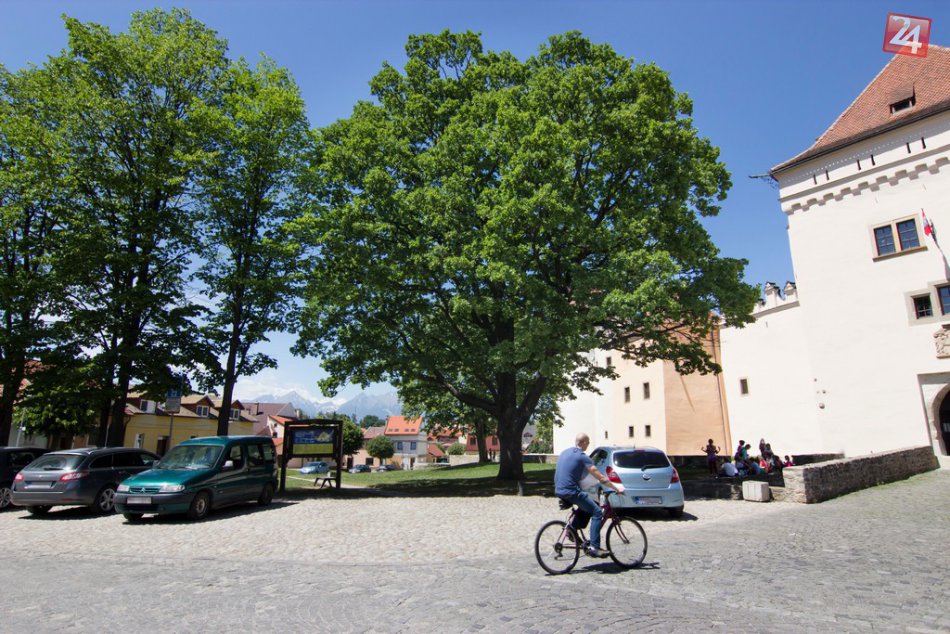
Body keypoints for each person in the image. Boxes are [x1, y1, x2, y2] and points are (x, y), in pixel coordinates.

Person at [554, 433, 624, 558]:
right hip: (571, 491)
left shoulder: (565, 452)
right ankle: (594, 547)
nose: (588, 444)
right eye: (588, 442)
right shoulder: (582, 457)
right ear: (583, 442)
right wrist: (616, 487)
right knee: (597, 512)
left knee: (588, 505)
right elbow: (600, 476)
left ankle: (572, 529)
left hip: (559, 489)